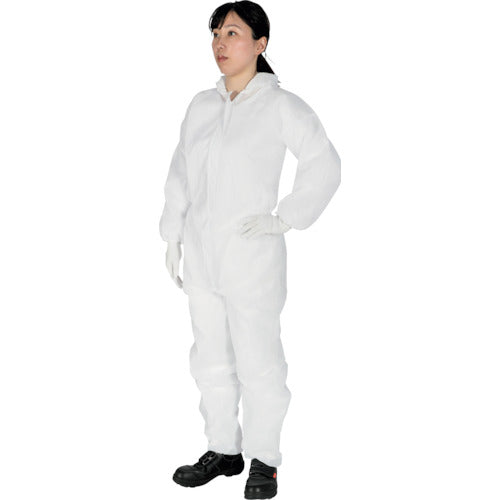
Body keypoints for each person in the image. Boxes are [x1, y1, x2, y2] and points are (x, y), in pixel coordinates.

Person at [159, 2, 341, 498]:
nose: (220, 43)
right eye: (216, 33)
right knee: (209, 357)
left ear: (261, 44)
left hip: (251, 257)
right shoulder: (201, 106)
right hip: (202, 257)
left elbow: (324, 163)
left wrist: (286, 217)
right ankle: (224, 449)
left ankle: (264, 459)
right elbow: (180, 172)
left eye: (233, 33)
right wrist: (172, 233)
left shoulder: (281, 107)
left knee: (259, 360)